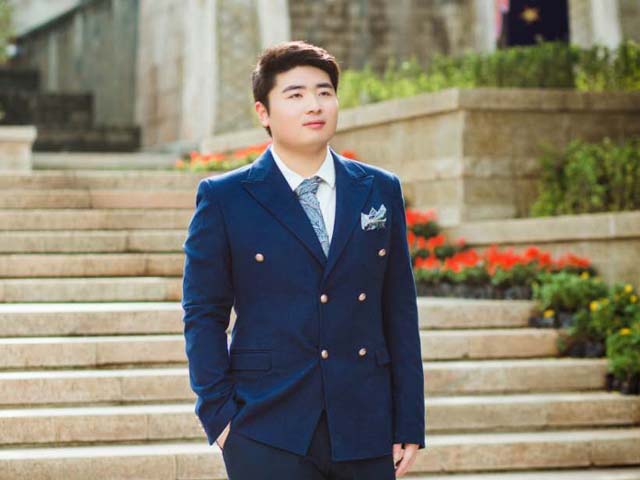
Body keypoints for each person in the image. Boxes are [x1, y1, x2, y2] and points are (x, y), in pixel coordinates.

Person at [181, 40, 425, 479]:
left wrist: (409, 419)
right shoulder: (225, 198)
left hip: (366, 422)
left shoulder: (379, 188)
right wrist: (219, 417)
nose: (314, 105)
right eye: (295, 94)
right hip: (266, 426)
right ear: (263, 112)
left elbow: (399, 310)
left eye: (324, 92)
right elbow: (203, 313)